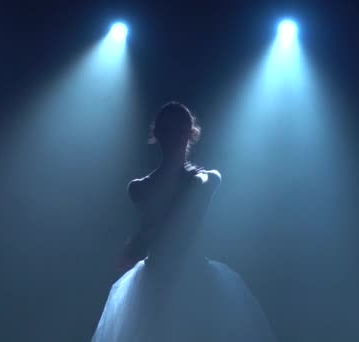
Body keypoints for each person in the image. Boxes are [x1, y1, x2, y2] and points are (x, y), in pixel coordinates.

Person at [91, 102, 277, 341]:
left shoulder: (207, 179)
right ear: (157, 134)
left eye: (180, 131)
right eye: (168, 130)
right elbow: (155, 228)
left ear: (191, 134)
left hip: (194, 279)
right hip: (154, 282)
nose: (175, 138)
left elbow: (193, 194)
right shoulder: (139, 187)